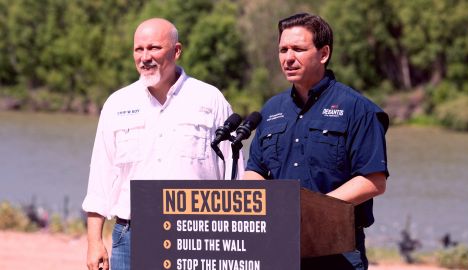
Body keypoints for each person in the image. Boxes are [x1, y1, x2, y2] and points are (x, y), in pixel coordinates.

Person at [82, 18, 242, 270]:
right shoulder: (117, 103)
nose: (145, 57)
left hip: (197, 235)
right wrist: (94, 241)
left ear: (176, 51)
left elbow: (234, 176)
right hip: (130, 237)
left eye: (154, 48)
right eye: (139, 49)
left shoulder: (210, 100)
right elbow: (101, 176)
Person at [244, 13, 389, 269]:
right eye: (283, 50)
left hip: (338, 250)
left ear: (323, 54)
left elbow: (373, 181)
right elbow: (255, 170)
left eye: (298, 49)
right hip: (279, 246)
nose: (288, 58)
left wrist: (313, 212)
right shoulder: (271, 109)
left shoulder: (357, 109)